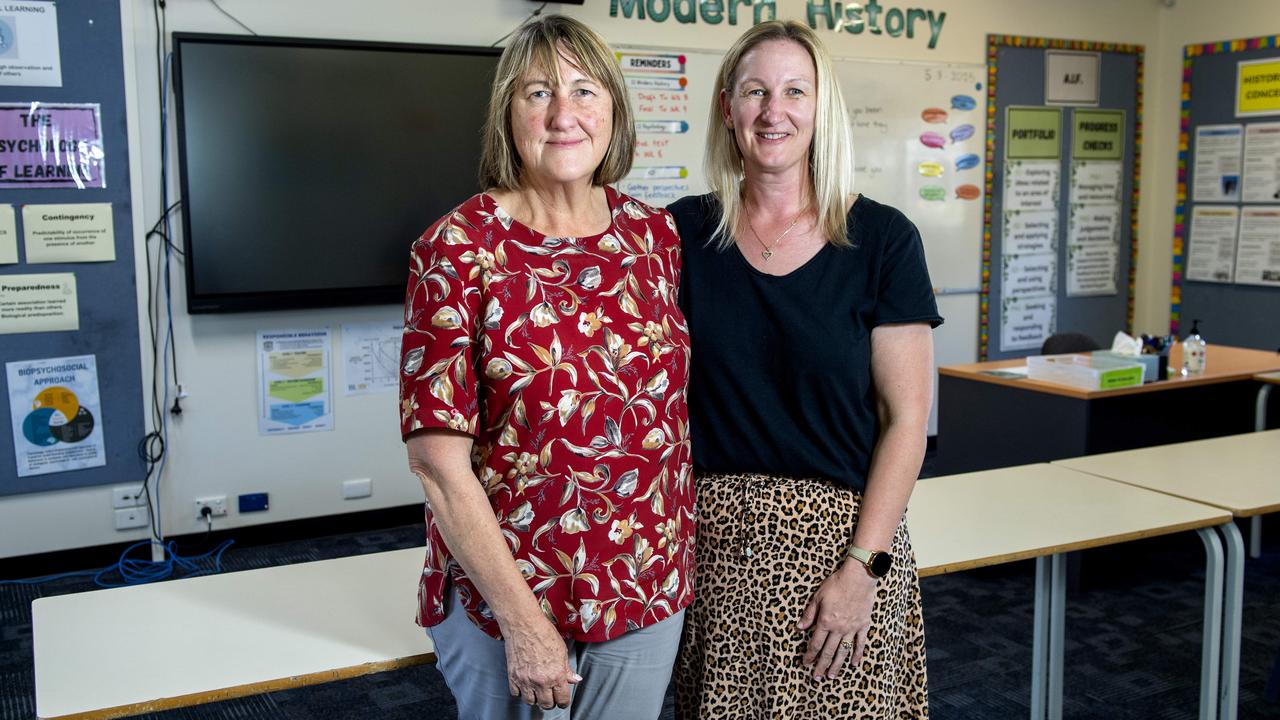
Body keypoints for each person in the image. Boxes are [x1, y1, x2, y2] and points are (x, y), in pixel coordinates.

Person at [399, 15, 694, 719]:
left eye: (584, 90)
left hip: (644, 585)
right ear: (509, 115)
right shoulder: (457, 248)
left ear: (614, 110)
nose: (564, 114)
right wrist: (523, 625)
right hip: (507, 599)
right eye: (538, 93)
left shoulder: (656, 238)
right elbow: (438, 463)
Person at [669, 20, 940, 719]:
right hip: (718, 550)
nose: (773, 110)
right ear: (728, 108)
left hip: (845, 545)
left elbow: (906, 420)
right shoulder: (678, 236)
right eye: (755, 91)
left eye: (795, 90)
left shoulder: (882, 240)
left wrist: (864, 568)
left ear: (822, 109)